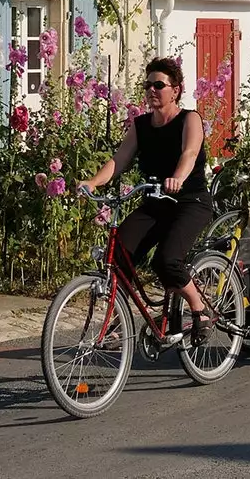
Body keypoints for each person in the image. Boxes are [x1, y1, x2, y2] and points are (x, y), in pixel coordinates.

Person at [80, 56, 216, 342]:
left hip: (189, 202)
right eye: (148, 85)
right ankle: (119, 319)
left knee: (168, 261)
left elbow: (189, 154)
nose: (152, 91)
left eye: (159, 85)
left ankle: (200, 308)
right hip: (155, 202)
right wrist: (93, 182)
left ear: (175, 90)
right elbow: (119, 160)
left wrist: (177, 177)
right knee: (116, 257)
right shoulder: (141, 126)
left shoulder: (189, 119)